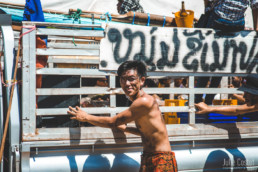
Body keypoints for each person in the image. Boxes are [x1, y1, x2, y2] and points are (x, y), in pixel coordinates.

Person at [68, 60, 178, 172]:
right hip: (150, 157)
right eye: (123, 79)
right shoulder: (140, 101)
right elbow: (145, 132)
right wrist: (125, 128)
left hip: (160, 159)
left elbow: (112, 122)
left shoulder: (144, 101)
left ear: (142, 81)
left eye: (131, 79)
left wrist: (86, 117)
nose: (127, 84)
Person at [195, 0, 258, 105]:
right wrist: (256, 28)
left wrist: (207, 9)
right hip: (237, 23)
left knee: (208, 62)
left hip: (218, 19)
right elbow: (255, 5)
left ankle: (197, 99)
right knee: (222, 64)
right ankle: (209, 100)